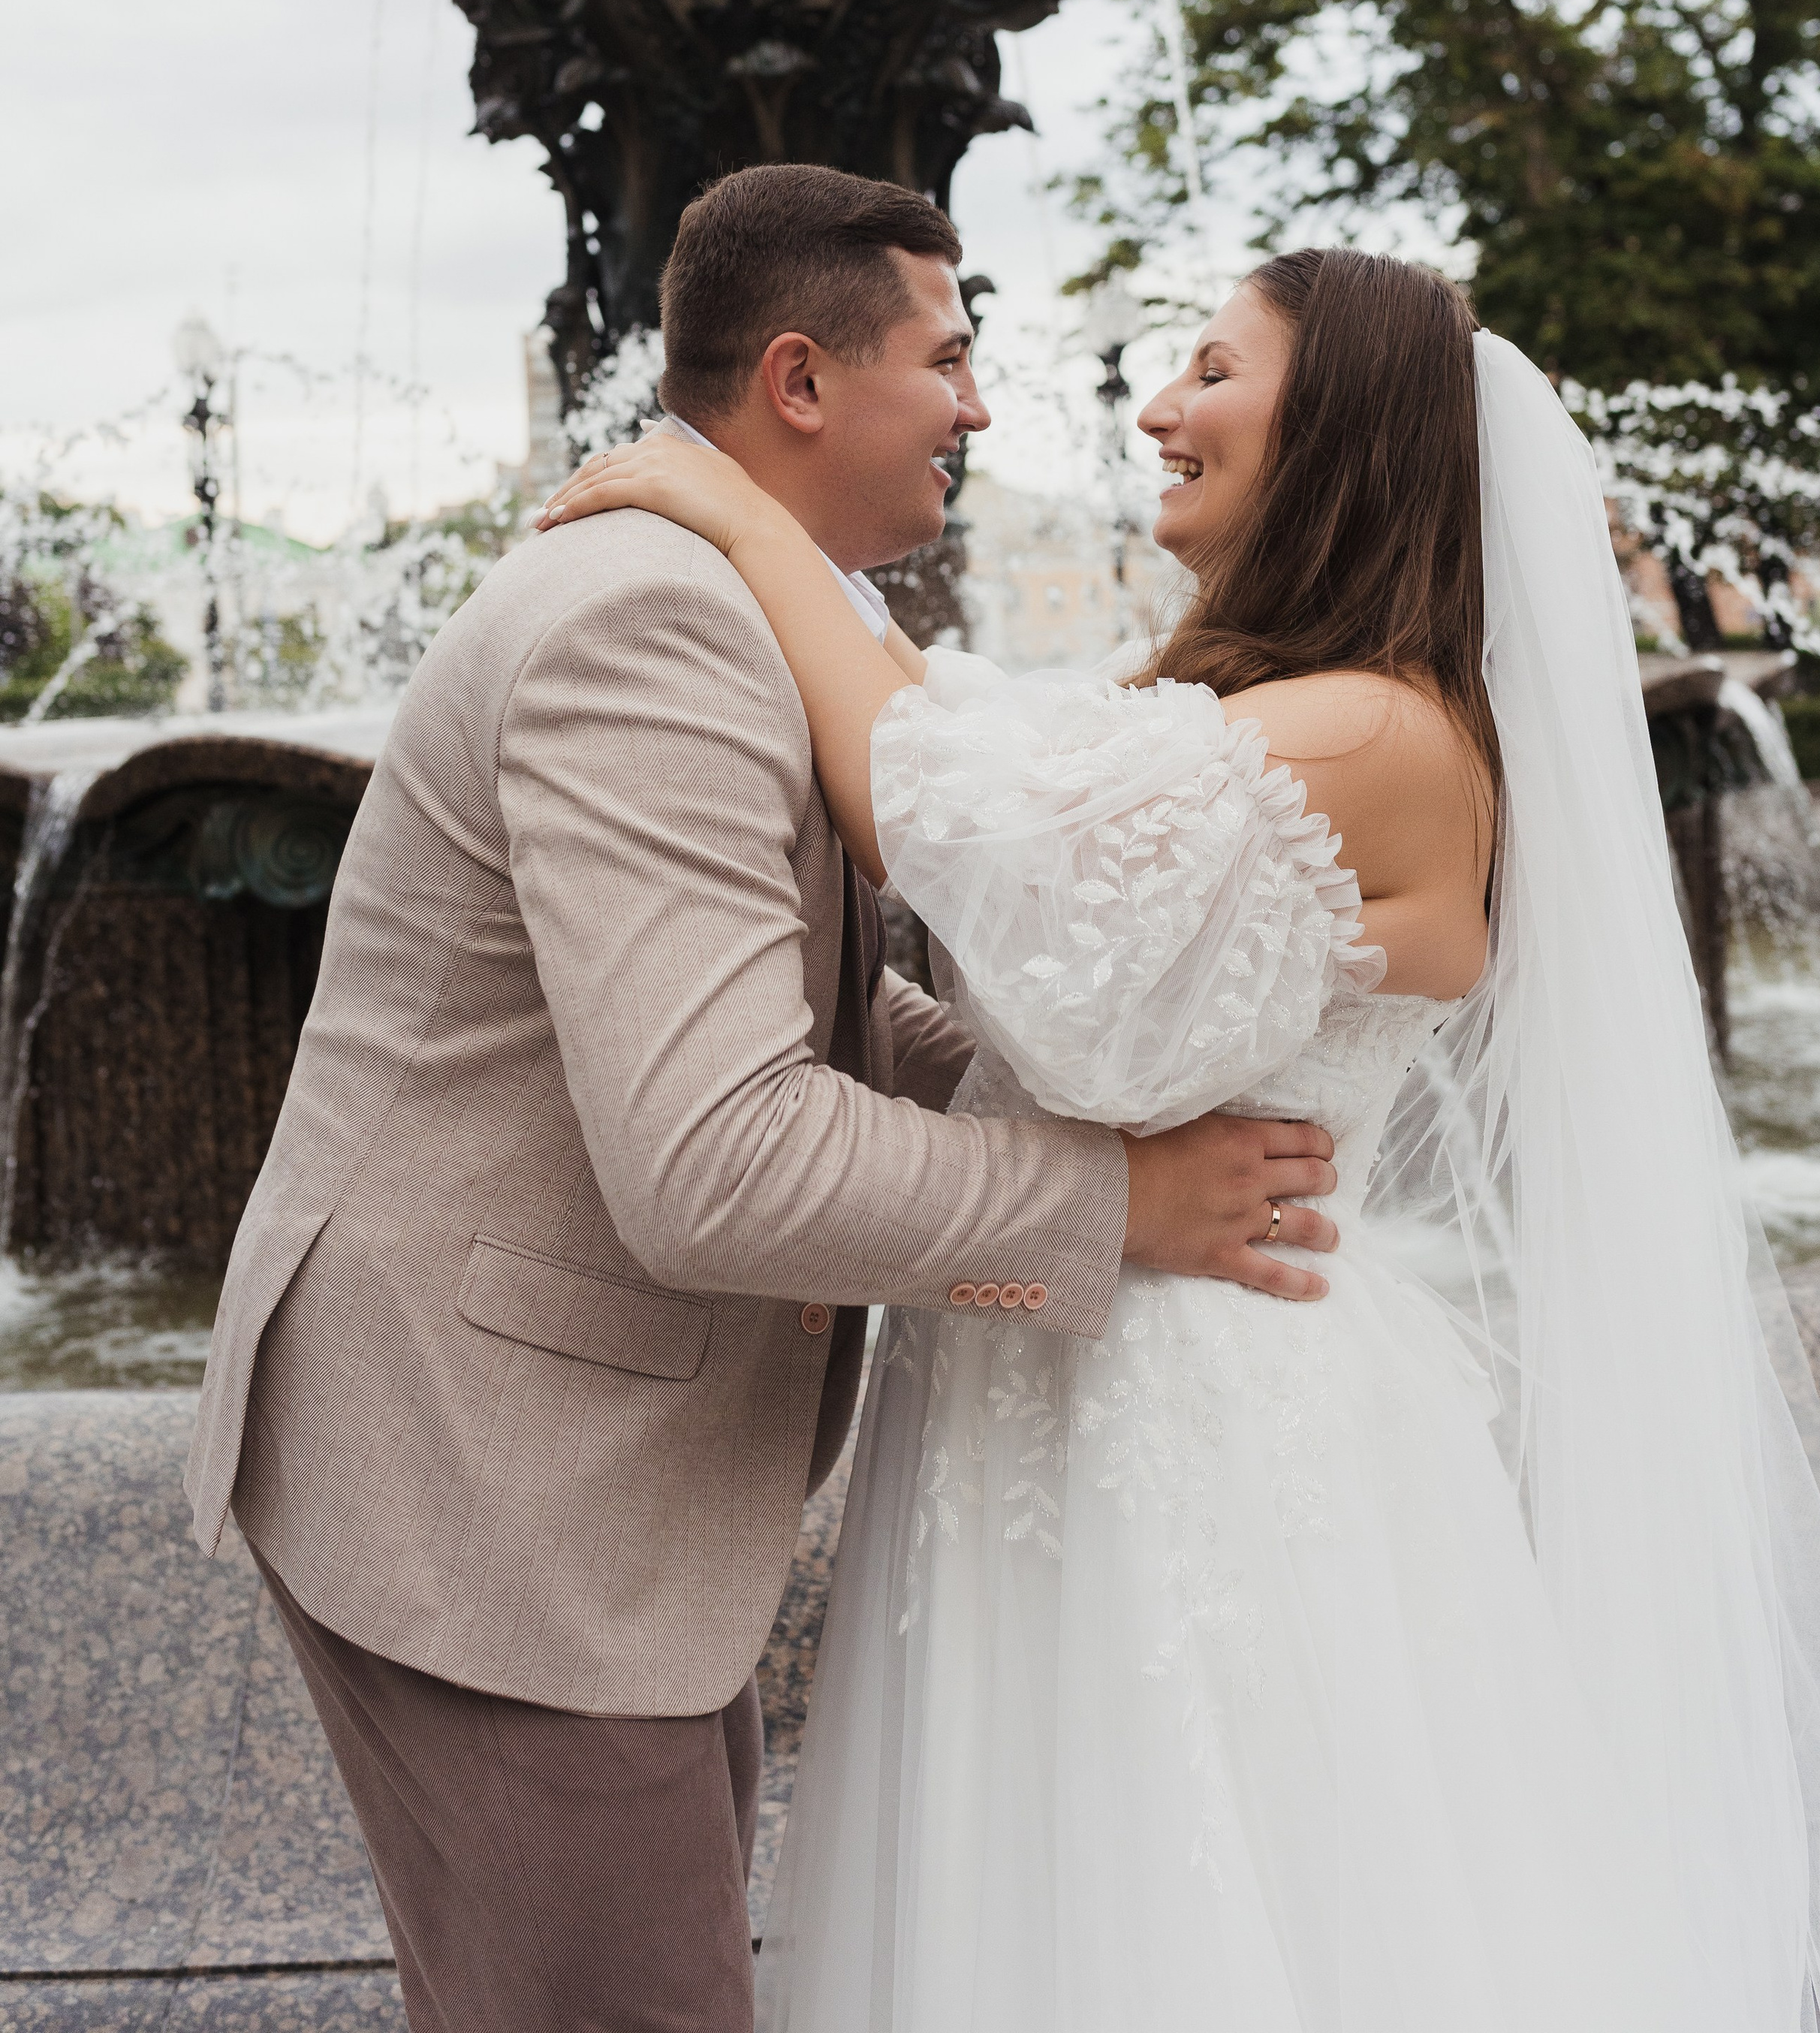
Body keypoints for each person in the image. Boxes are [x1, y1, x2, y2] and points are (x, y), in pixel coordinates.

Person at [539, 246, 1820, 2032]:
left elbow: (948, 817)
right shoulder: (1276, 703)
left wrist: (734, 516)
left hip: (1196, 1426)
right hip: (1092, 1367)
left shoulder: (1369, 732)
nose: (1154, 408)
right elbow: (985, 775)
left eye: (1208, 370)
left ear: (1333, 428)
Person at [183, 167, 1342, 2033]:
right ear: (799, 384)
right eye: (949, 358)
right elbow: (719, 1161)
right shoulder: (653, 625)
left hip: (562, 1464)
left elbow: (810, 995)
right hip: (489, 1487)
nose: (980, 407)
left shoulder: (729, 597)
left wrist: (1061, 1097)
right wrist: (1112, 1207)